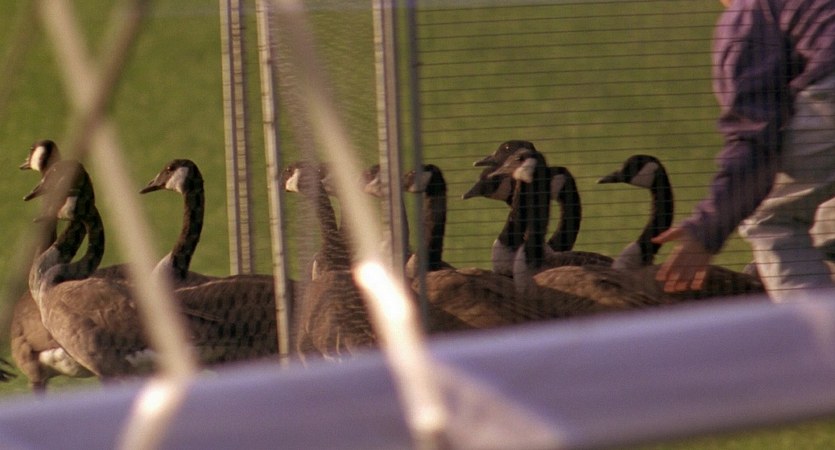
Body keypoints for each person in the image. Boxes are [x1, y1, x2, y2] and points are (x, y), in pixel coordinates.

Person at [653, 0, 835, 301]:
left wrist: (707, 229)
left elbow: (755, 141)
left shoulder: (751, 14)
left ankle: (821, 328)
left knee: (771, 219)